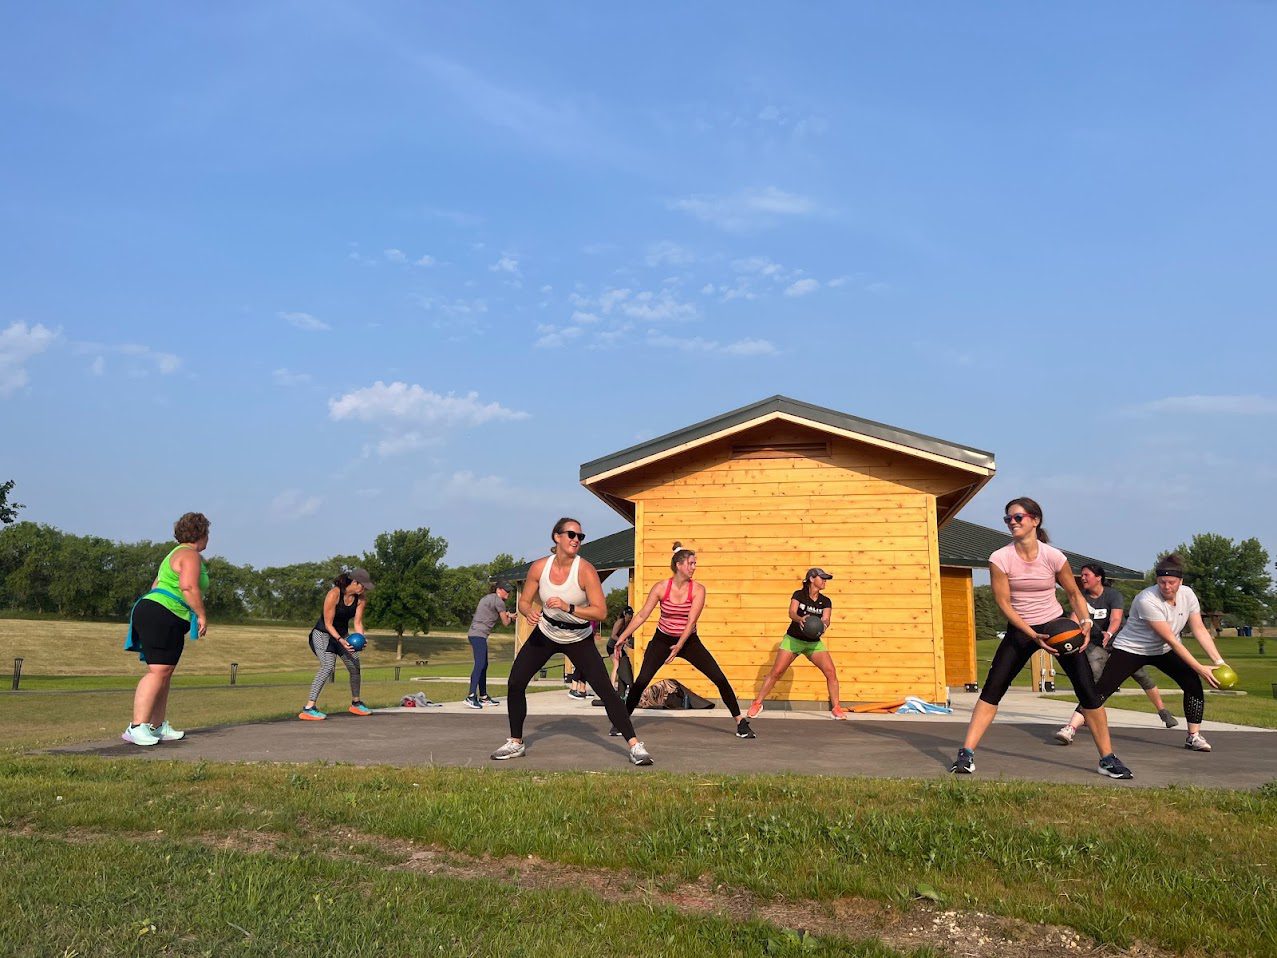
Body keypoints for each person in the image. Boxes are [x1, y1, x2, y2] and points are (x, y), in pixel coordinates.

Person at [949, 497, 1133, 779]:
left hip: (1057, 626)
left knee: (1088, 691)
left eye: (1018, 517)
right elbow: (1004, 603)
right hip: (1022, 629)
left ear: (1035, 520)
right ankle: (966, 754)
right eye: (1007, 519)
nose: (1012, 522)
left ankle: (1107, 758)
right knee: (992, 690)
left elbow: (1073, 593)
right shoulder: (1000, 558)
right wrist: (1032, 634)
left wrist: (1084, 623)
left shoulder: (1053, 556)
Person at [491, 518, 654, 765]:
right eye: (571, 534)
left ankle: (635, 746)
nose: (576, 539)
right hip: (546, 633)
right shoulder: (539, 568)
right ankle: (515, 742)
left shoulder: (585, 570)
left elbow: (600, 612)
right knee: (515, 682)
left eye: (580, 536)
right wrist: (527, 612)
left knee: (607, 692)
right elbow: (524, 601)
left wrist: (569, 607)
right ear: (556, 537)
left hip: (578, 637)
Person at [614, 543, 755, 739]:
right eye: (691, 563)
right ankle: (622, 722)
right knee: (642, 681)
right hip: (662, 640)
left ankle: (740, 722)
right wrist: (622, 637)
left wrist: (679, 645)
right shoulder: (661, 587)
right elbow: (641, 616)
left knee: (719, 678)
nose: (694, 567)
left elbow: (691, 622)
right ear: (679, 565)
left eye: (695, 563)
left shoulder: (698, 589)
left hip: (688, 641)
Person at [1092, 553, 1228, 753]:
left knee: (1191, 682)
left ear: (1180, 581)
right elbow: (1171, 639)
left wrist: (1219, 661)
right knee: (1104, 688)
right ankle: (1071, 727)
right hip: (1133, 648)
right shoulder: (1147, 599)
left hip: (1162, 650)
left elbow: (1199, 629)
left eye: (1171, 582)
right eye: (1162, 582)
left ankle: (1193, 736)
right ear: (1157, 581)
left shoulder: (1188, 595)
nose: (1166, 586)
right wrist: (1200, 668)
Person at [1054, 563, 1176, 744]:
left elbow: (1116, 618)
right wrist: (1066, 639)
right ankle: (1073, 726)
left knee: (1142, 676)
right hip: (1096, 645)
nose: (1083, 578)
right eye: (1082, 575)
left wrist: (1109, 633)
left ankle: (1162, 711)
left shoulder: (1113, 595)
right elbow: (1074, 621)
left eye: (1087, 575)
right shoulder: (1082, 597)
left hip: (1122, 644)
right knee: (1095, 681)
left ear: (1098, 577)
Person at [122, 512, 211, 746]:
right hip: (161, 613)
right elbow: (189, 587)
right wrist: (201, 614)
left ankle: (156, 726)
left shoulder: (175, 554)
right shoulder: (189, 555)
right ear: (202, 534)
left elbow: (156, 584)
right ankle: (137, 727)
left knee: (165, 671)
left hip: (161, 612)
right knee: (158, 671)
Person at [746, 568, 849, 720]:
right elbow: (792, 612)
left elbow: (826, 618)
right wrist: (800, 619)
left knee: (831, 672)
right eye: (823, 578)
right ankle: (757, 703)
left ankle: (836, 708)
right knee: (776, 672)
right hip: (793, 639)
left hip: (813, 643)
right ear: (812, 579)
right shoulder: (799, 595)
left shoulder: (825, 601)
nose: (825, 581)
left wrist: (823, 626)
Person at [299, 569, 374, 721]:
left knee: (354, 665)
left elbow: (358, 623)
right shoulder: (334, 594)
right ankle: (309, 708)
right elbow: (328, 624)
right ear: (354, 582)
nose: (364, 589)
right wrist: (341, 640)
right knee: (328, 666)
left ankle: (356, 703)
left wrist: (361, 639)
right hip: (322, 634)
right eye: (363, 586)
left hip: (342, 635)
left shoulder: (361, 599)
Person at [464, 581, 515, 709]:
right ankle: (471, 696)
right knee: (480, 664)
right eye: (506, 590)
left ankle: (484, 696)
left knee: (484, 665)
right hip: (479, 635)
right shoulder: (499, 601)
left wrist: (507, 614)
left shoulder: (488, 598)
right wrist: (511, 618)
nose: (508, 593)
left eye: (509, 591)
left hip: (474, 634)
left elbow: (490, 613)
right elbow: (505, 623)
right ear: (499, 590)